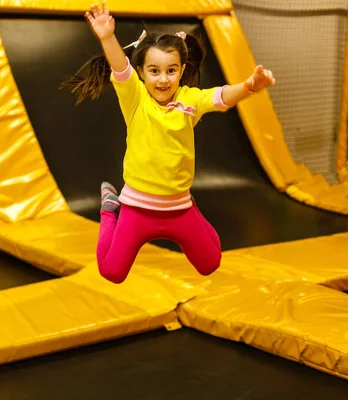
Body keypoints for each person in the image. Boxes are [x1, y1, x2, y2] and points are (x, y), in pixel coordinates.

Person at [60, 1, 276, 284]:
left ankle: (193, 207)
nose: (163, 79)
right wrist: (107, 37)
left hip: (179, 208)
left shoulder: (189, 100)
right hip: (137, 208)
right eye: (154, 71)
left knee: (211, 263)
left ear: (181, 70)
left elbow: (221, 97)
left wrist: (249, 86)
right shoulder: (135, 99)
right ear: (142, 72)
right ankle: (110, 209)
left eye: (171, 71)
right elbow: (120, 67)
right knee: (111, 272)